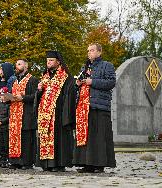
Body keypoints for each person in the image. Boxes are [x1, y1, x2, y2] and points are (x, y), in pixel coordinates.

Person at [73, 43, 116, 173]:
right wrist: (78, 83)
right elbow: (79, 85)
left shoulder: (107, 65)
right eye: (88, 51)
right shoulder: (84, 67)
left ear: (99, 52)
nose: (89, 53)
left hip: (100, 107)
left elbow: (111, 82)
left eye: (92, 50)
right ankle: (87, 164)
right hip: (84, 107)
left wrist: (93, 82)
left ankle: (99, 164)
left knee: (99, 137)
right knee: (87, 137)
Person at [35, 51, 76, 172]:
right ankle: (46, 164)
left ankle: (58, 164)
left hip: (58, 114)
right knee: (45, 137)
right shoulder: (45, 77)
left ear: (58, 62)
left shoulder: (65, 77)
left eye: (51, 60)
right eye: (47, 61)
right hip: (44, 114)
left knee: (59, 139)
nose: (48, 62)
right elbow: (39, 96)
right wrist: (39, 90)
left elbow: (69, 95)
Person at [8, 59, 39, 170]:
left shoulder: (32, 79)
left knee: (26, 139)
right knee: (15, 138)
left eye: (19, 64)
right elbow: (13, 95)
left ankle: (27, 162)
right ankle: (15, 161)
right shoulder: (15, 81)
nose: (17, 66)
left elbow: (36, 96)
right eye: (16, 65)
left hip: (26, 114)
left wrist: (23, 98)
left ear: (26, 66)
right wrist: (7, 97)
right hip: (15, 114)